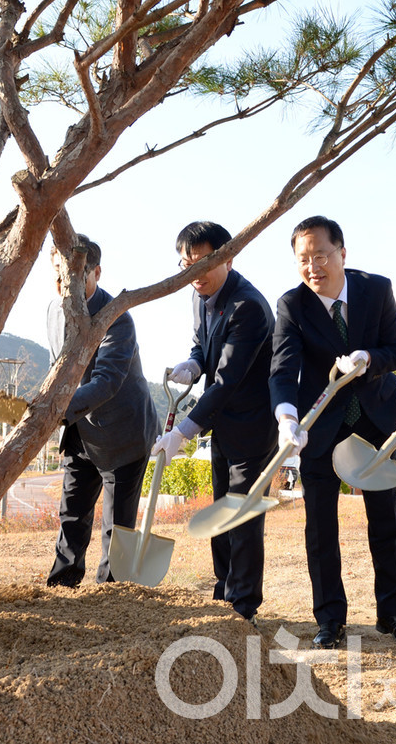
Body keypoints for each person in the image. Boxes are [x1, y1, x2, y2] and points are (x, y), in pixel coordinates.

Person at [269, 215, 396, 649]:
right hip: (320, 425)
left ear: (342, 253)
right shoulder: (292, 304)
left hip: (375, 421)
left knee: (385, 521)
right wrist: (286, 418)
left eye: (321, 255)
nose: (313, 266)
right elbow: (283, 368)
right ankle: (330, 619)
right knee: (320, 526)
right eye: (303, 259)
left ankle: (391, 613)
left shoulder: (376, 289)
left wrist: (368, 358)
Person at [154, 221, 277, 623]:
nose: (196, 273)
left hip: (253, 427)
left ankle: (243, 606)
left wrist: (182, 432)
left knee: (242, 515)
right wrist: (193, 364)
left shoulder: (248, 307)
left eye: (205, 262)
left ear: (228, 257)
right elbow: (202, 347)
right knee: (221, 513)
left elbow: (226, 381)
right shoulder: (199, 295)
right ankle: (224, 592)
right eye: (187, 264)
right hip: (223, 425)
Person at [46, 236, 158, 587]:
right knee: (72, 513)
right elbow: (57, 370)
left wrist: (56, 408)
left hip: (123, 433)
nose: (65, 285)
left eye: (75, 277)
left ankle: (111, 594)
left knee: (117, 525)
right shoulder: (53, 310)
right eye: (59, 276)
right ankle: (62, 584)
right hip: (79, 429)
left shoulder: (117, 319)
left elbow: (107, 381)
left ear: (96, 272)